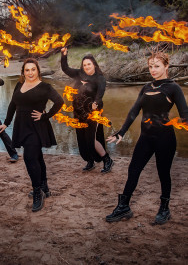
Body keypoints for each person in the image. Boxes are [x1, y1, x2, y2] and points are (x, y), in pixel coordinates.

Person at [106, 52, 188, 224]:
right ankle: (124, 207)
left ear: (166, 66)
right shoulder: (146, 87)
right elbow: (134, 111)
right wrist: (121, 132)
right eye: (150, 66)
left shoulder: (173, 88)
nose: (153, 70)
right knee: (133, 170)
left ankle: (164, 209)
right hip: (145, 138)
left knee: (163, 173)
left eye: (157, 66)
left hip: (165, 138)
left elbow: (185, 115)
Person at [0, 58, 64, 212]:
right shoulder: (19, 84)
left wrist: (45, 116)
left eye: (33, 69)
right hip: (21, 126)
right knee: (37, 157)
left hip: (36, 127)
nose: (30, 72)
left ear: (38, 71)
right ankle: (44, 186)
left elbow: (59, 102)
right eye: (27, 70)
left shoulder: (45, 87)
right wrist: (6, 123)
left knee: (29, 158)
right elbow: (13, 104)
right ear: (23, 72)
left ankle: (37, 191)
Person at [61, 47, 113, 173]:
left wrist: (96, 103)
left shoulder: (99, 78)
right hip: (79, 112)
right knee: (82, 138)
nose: (86, 67)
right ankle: (90, 161)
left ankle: (107, 159)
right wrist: (64, 55)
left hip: (92, 113)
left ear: (94, 64)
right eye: (84, 65)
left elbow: (100, 93)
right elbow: (65, 69)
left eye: (89, 64)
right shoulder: (79, 74)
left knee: (91, 138)